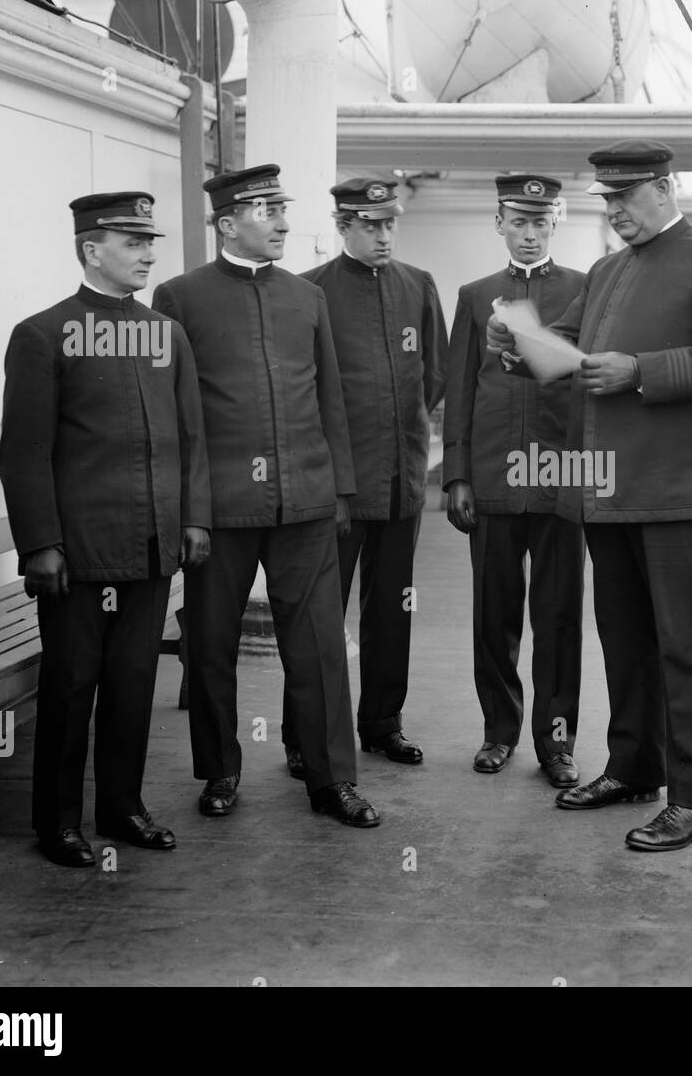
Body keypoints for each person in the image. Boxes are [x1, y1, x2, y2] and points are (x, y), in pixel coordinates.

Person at [488, 140, 692, 851]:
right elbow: (564, 352)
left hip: (680, 493)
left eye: (626, 197)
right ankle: (636, 765)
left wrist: (640, 369)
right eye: (607, 200)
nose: (614, 212)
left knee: (686, 645)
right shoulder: (608, 270)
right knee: (626, 639)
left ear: (667, 188)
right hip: (608, 492)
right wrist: (514, 341)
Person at [152, 164, 378, 828]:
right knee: (213, 644)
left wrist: (339, 488)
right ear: (228, 222)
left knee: (318, 646)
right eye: (266, 210)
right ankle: (220, 770)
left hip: (304, 502)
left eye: (284, 209)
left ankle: (332, 778)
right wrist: (187, 511)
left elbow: (329, 397)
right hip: (219, 510)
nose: (282, 222)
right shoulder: (180, 297)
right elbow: (171, 415)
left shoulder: (306, 299)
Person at [0, 191, 211, 866]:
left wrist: (194, 518)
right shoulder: (42, 334)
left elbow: (190, 439)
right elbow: (23, 453)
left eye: (151, 241)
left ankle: (123, 806)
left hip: (150, 549)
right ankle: (57, 821)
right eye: (132, 241)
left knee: (130, 684)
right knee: (69, 687)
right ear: (92, 248)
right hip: (78, 556)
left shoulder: (165, 334)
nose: (149, 253)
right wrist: (40, 544)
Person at [443, 174, 587, 786]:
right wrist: (457, 475)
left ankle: (556, 744)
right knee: (493, 614)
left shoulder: (586, 289)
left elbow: (588, 385)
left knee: (558, 617)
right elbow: (460, 390)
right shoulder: (476, 296)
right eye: (518, 221)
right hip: (496, 478)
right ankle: (498, 734)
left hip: (560, 481)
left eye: (541, 221)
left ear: (557, 221)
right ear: (498, 223)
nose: (530, 234)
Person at [300, 176, 446, 767]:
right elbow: (305, 389)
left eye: (390, 224)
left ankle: (383, 723)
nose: (384, 236)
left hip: (401, 482)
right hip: (338, 486)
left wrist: (405, 439)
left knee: (393, 608)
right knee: (321, 617)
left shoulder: (418, 286)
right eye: (370, 225)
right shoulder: (312, 292)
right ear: (343, 227)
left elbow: (433, 374)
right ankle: (304, 734)